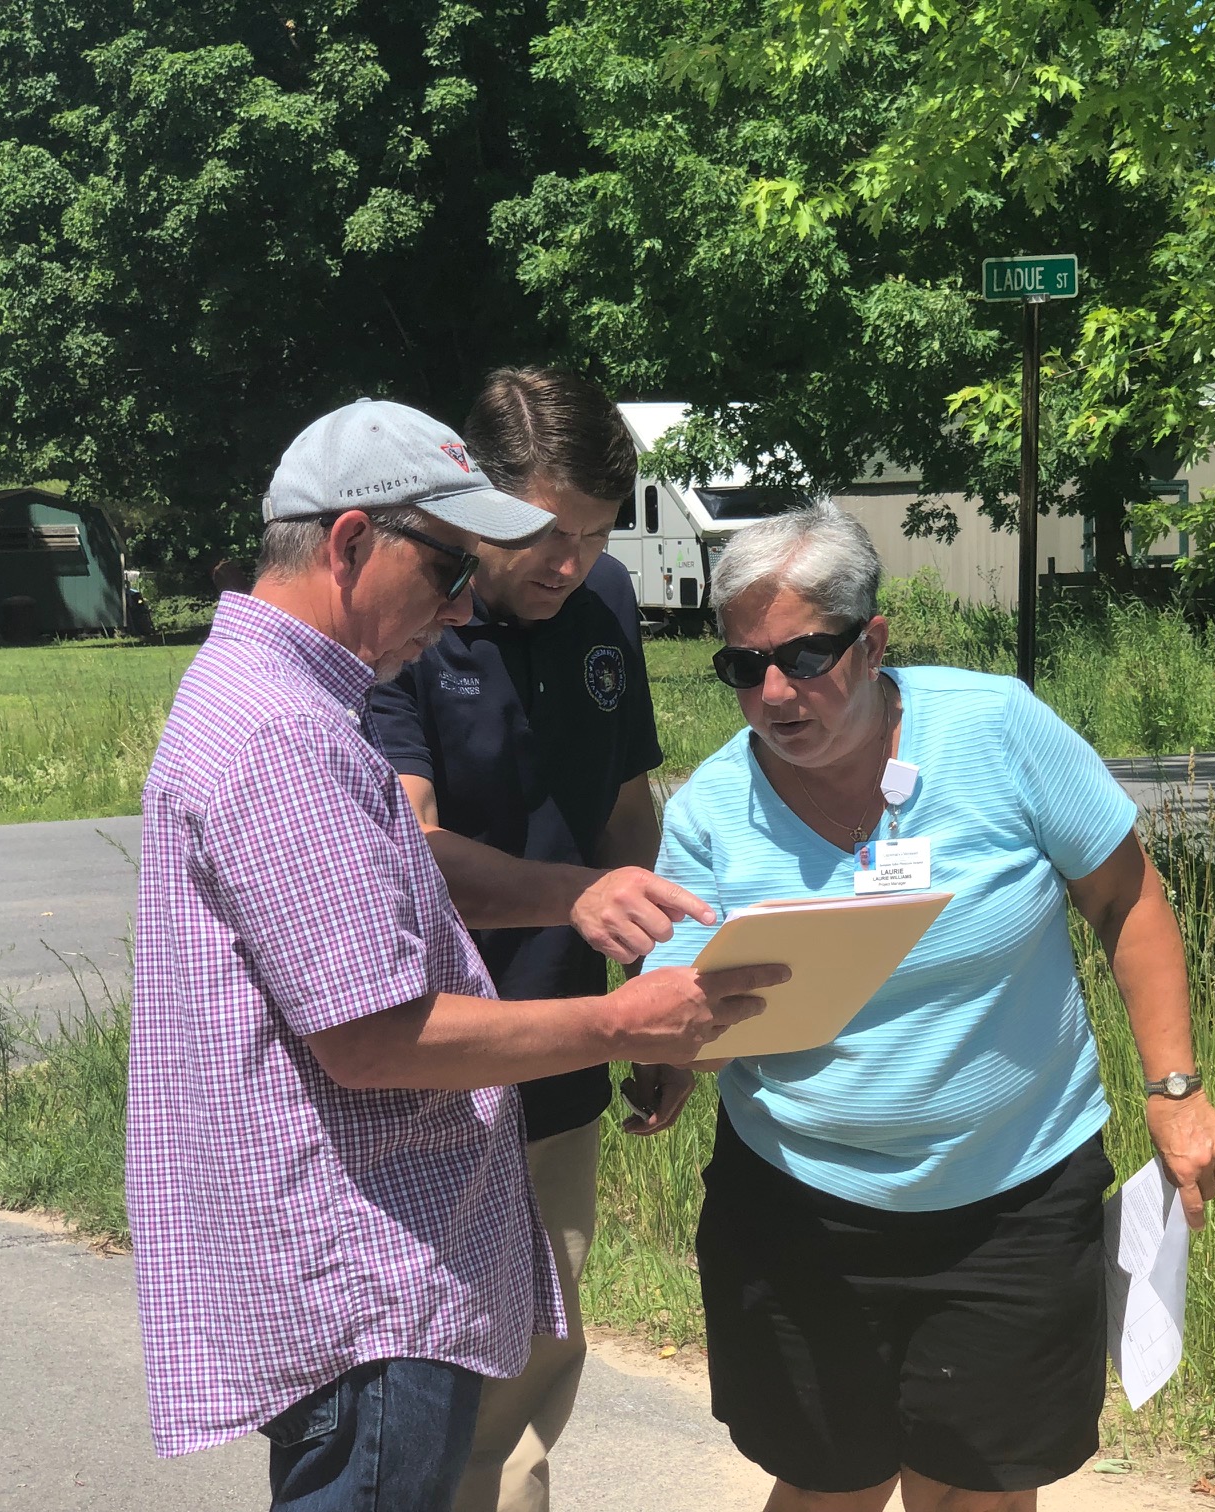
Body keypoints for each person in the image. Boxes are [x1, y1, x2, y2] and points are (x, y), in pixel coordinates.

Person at [126, 396, 783, 1511]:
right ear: (348, 544)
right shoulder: (289, 732)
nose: (465, 597)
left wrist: (577, 894)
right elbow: (375, 1042)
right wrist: (623, 1022)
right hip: (368, 1269)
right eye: (446, 568)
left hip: (371, 1243)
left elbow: (396, 863)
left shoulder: (280, 694)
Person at [642, 506, 1215, 1512]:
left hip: (1015, 1197)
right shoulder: (710, 811)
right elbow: (676, 1017)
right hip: (798, 1208)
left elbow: (1127, 898)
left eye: (805, 656)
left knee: (980, 1489)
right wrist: (670, 1053)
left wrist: (1175, 1089)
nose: (775, 694)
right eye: (745, 668)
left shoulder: (995, 729)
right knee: (830, 1484)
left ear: (873, 641)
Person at [367, 369, 705, 1512]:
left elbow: (623, 806)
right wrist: (572, 897)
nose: (571, 563)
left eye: (597, 535)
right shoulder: (409, 619)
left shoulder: (603, 601)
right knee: (421, 1390)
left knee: (531, 1376)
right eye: (548, 536)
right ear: (481, 503)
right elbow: (406, 848)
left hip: (568, 1048)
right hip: (429, 1060)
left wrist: (657, 987)